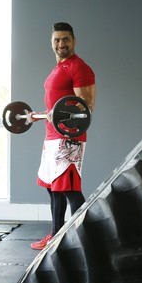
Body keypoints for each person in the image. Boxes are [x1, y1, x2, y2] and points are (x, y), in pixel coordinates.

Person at [28, 22, 96, 250]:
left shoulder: (78, 67)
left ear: (74, 41)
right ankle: (56, 236)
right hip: (51, 138)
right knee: (52, 187)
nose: (61, 44)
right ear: (51, 42)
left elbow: (86, 107)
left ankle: (90, 240)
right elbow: (56, 108)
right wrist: (35, 116)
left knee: (69, 189)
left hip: (68, 138)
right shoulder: (59, 68)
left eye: (65, 39)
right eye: (57, 40)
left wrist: (57, 118)